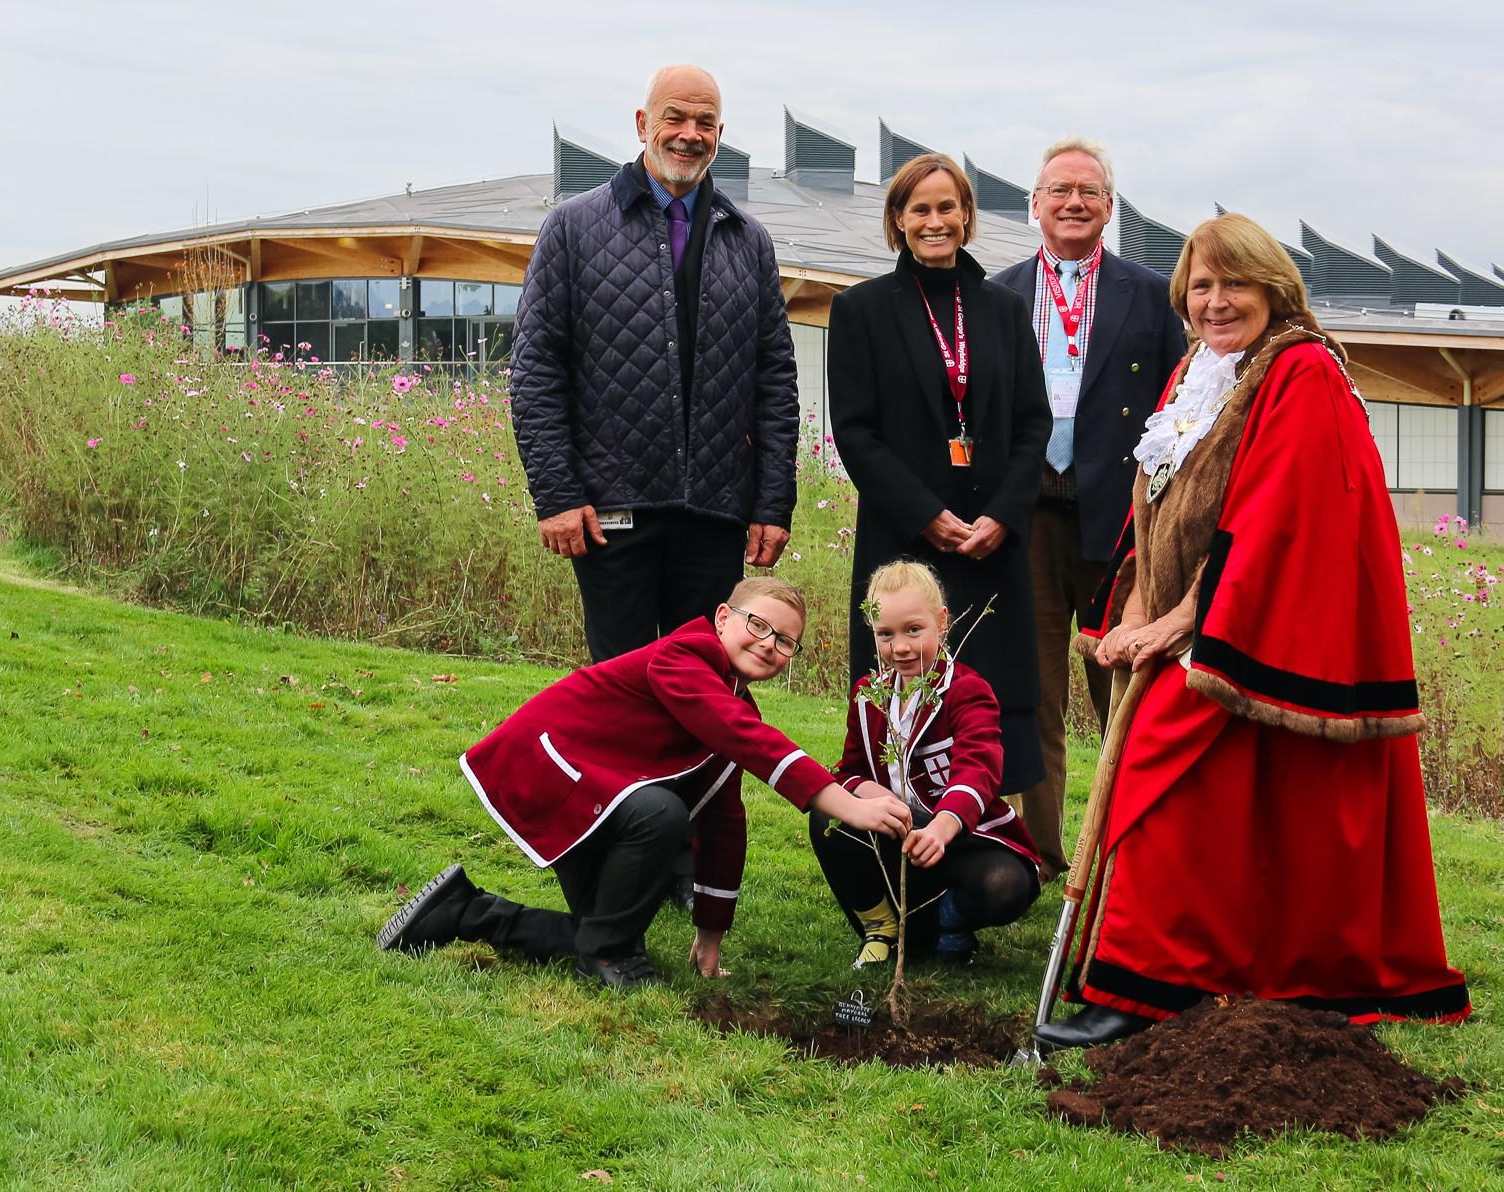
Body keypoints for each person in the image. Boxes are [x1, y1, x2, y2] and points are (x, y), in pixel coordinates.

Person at [1034, 214, 1471, 1049]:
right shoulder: (1198, 371)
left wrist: (1173, 624)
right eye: (1199, 285)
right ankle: (1195, 973)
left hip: (1250, 623)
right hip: (1190, 621)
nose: (1215, 300)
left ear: (1274, 288)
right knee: (1216, 811)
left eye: (1233, 282)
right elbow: (1153, 504)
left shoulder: (1301, 373)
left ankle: (1141, 989)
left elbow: (1274, 520)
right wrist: (1128, 608)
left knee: (1160, 776)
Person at [378, 577, 912, 989]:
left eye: (787, 642)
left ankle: (463, 911)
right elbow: (740, 734)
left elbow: (725, 819)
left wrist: (711, 932)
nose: (770, 644)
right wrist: (839, 800)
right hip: (551, 772)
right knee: (661, 815)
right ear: (723, 618)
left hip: (596, 796)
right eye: (758, 625)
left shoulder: (732, 696)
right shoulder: (683, 655)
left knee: (603, 934)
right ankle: (607, 951)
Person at [510, 64, 798, 664]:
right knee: (621, 684)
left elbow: (774, 381)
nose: (689, 133)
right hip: (610, 505)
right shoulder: (573, 227)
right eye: (675, 117)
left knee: (707, 684)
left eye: (706, 122)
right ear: (644, 124)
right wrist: (556, 493)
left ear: (721, 133)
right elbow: (537, 368)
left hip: (716, 510)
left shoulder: (750, 241)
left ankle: (697, 768)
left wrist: (772, 503)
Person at [990, 139, 1188, 880]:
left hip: (1121, 522)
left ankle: (1127, 856)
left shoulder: (1152, 292)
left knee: (1125, 693)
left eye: (1088, 191)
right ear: (1033, 204)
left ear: (1109, 206)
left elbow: (1178, 404)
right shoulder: (997, 293)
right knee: (1033, 691)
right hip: (1029, 516)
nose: (1073, 202)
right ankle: (1041, 855)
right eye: (1058, 190)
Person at [828, 153, 1051, 802]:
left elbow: (1032, 425)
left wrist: (1005, 516)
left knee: (992, 687)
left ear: (966, 216)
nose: (935, 221)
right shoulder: (860, 310)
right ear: (897, 220)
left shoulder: (1004, 311)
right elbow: (856, 432)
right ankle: (895, 838)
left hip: (989, 540)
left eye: (947, 207)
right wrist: (925, 513)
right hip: (905, 540)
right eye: (919, 209)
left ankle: (983, 832)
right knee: (903, 687)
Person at [809, 561, 1041, 969]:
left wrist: (940, 828)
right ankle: (879, 927)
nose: (899, 647)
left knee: (1005, 886)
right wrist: (872, 796)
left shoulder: (967, 691)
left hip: (961, 839)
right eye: (885, 634)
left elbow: (979, 768)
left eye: (913, 630)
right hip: (896, 838)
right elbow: (849, 771)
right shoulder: (868, 695)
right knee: (828, 815)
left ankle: (948, 921)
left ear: (942, 622)